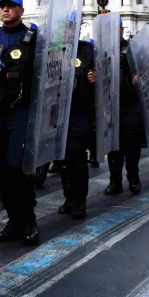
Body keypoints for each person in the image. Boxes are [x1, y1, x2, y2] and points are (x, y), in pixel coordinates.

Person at [0, 0, 39, 246]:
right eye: (2, 6)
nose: (5, 10)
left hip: (20, 112)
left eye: (11, 6)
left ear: (21, 11)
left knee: (18, 168)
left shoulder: (33, 38)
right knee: (2, 172)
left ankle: (29, 222)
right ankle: (14, 221)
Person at [105, 23, 143, 196]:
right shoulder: (102, 50)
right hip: (110, 105)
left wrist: (138, 79)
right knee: (113, 147)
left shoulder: (132, 49)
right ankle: (115, 181)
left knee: (132, 146)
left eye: (116, 29)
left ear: (121, 30)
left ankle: (134, 178)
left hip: (130, 103)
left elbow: (145, 69)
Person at [58, 39, 94, 219]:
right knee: (63, 158)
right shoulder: (51, 47)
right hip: (57, 111)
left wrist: (96, 76)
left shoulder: (87, 49)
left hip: (80, 111)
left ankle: (80, 200)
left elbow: (103, 73)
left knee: (78, 155)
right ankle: (69, 198)